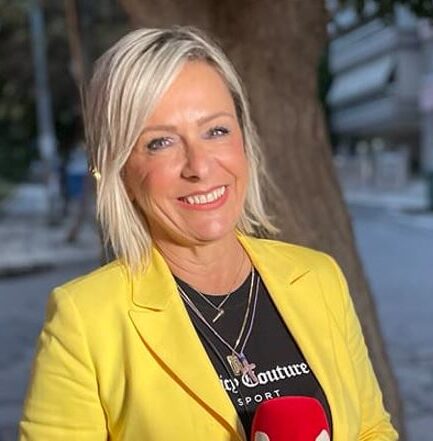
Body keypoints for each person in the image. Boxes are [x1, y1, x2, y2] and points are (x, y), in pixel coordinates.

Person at [19, 26, 398, 441]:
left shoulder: (319, 278)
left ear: (244, 140)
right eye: (161, 142)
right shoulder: (84, 321)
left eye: (216, 131)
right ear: (123, 171)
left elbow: (371, 429)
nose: (199, 166)